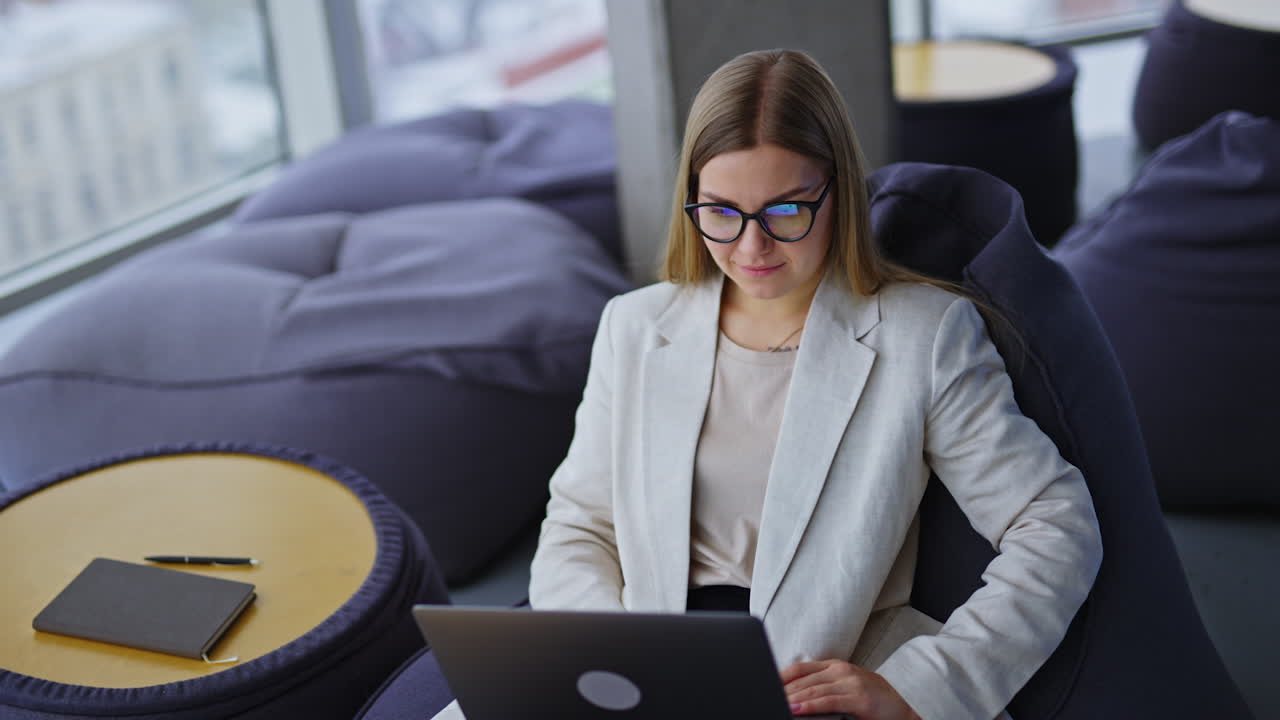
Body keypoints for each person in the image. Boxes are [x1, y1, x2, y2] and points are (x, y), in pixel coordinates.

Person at [439, 48, 1103, 720]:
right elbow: (580, 525)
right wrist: (610, 660)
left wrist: (922, 684)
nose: (751, 249)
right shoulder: (635, 327)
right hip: (640, 676)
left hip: (806, 688)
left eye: (786, 212)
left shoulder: (922, 336)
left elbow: (1057, 524)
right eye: (722, 212)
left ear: (839, 193)